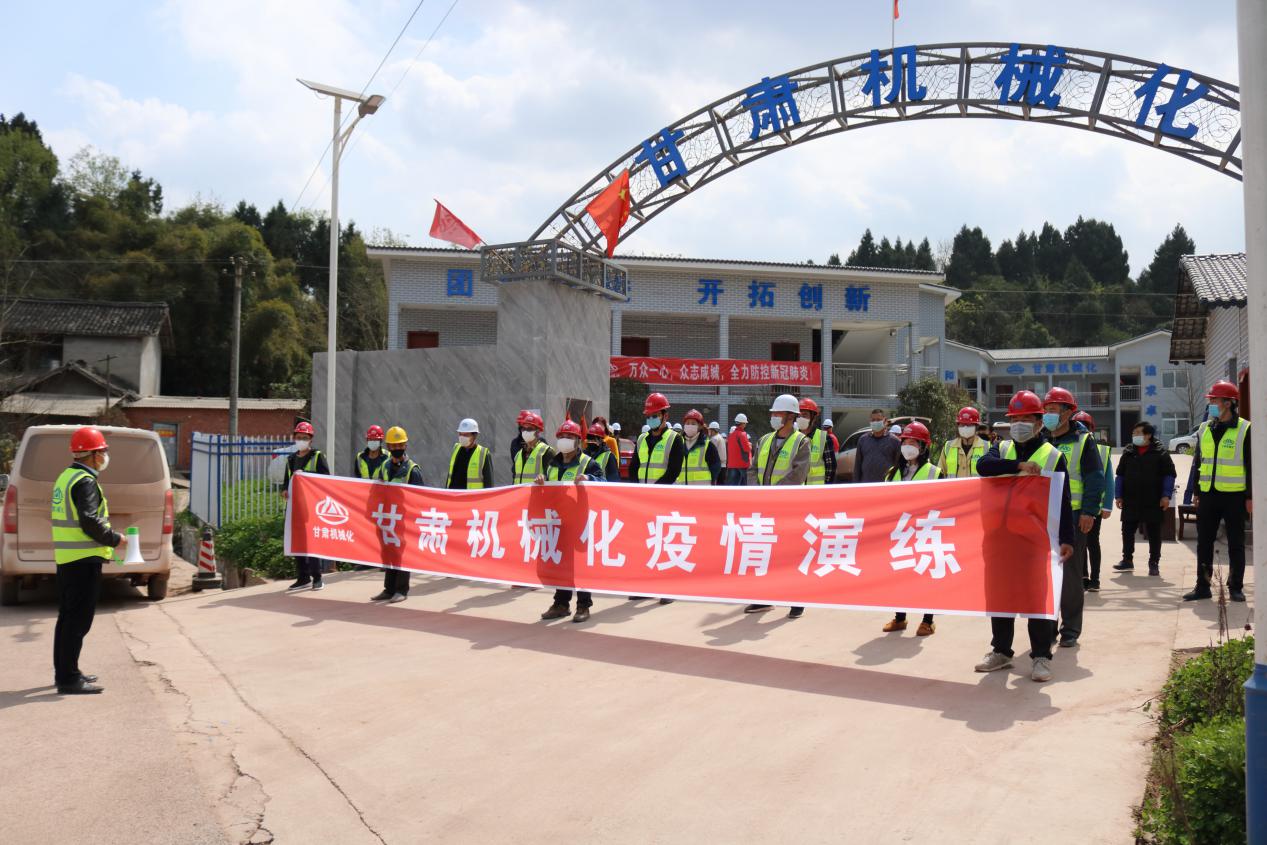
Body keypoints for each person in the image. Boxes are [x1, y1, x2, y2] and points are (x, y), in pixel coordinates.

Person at [975, 390, 1076, 683]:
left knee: (1036, 598)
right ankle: (1001, 651)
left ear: (1039, 422)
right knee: (1000, 595)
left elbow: (1063, 500)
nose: (1019, 424)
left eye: (1026, 418)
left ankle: (1041, 656)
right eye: (1014, 419)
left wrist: (1066, 538)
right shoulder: (1001, 448)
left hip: (1035, 540)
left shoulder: (1052, 455)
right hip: (999, 536)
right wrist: (1018, 466)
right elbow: (983, 467)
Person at [50, 426, 125, 694]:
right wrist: (115, 539)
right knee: (78, 621)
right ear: (92, 455)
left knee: (67, 619)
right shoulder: (85, 481)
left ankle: (66, 672)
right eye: (102, 451)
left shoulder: (66, 477)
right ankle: (69, 680)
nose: (105, 456)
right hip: (83, 559)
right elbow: (90, 520)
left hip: (68, 559)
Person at [1042, 387, 1103, 648]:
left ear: (1068, 413)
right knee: (1045, 575)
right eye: (1046, 410)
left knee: (1070, 575)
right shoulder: (1040, 438)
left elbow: (1095, 478)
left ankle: (1070, 629)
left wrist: (1089, 511)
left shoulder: (1083, 440)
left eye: (1053, 410)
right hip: (1043, 516)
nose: (1048, 415)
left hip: (1074, 515)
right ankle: (1047, 627)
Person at [1183, 380, 1252, 602]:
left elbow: (1251, 465)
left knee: (1236, 544)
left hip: (1235, 496)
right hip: (1208, 494)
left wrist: (1250, 496)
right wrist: (1196, 491)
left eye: (1214, 400)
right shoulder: (1205, 428)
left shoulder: (1245, 429)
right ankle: (1203, 586)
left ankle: (1235, 587)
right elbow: (1198, 462)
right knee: (1204, 543)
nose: (1211, 404)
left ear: (1228, 403)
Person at [745, 394, 810, 618]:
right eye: (773, 413)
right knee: (765, 552)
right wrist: (757, 490)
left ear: (791, 416)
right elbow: (752, 469)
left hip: (788, 507)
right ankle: (763, 598)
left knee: (790, 554)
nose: (773, 417)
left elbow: (798, 474)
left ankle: (797, 600)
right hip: (763, 506)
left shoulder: (801, 441)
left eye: (778, 413)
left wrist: (774, 494)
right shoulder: (764, 440)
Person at [881, 422, 943, 637]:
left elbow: (942, 504)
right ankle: (900, 618)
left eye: (913, 442)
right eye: (905, 442)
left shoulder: (935, 472)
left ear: (923, 446)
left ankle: (928, 621)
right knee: (901, 576)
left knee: (926, 577)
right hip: (900, 533)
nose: (908, 446)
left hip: (925, 532)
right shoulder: (892, 473)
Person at [538, 421, 604, 622]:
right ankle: (561, 603)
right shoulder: (552, 464)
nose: (565, 440)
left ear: (578, 441)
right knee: (562, 565)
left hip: (580, 521)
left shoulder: (588, 463)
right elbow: (549, 490)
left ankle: (583, 606)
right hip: (559, 521)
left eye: (570, 437)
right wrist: (541, 482)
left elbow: (605, 483)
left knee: (580, 565)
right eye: (562, 437)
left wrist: (589, 479)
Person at [370, 426, 426, 603]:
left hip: (404, 519)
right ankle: (389, 589)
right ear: (388, 446)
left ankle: (401, 590)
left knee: (402, 554)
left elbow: (420, 497)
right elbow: (377, 489)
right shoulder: (385, 466)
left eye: (399, 445)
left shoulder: (412, 469)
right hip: (388, 517)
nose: (396, 449)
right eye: (393, 446)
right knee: (389, 552)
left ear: (405, 445)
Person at [1113, 421, 1175, 578]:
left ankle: (1154, 562)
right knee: (1127, 530)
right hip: (1130, 499)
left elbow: (1169, 475)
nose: (1134, 436)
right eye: (1133, 433)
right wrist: (1118, 495)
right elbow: (1120, 475)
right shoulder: (1128, 452)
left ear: (1148, 435)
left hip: (1153, 499)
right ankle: (1127, 560)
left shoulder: (1160, 453)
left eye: (1138, 433)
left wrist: (1166, 495)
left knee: (1154, 532)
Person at [283, 421, 330, 591]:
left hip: (312, 507)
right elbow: (287, 480)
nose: (301, 440)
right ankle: (303, 577)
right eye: (298, 437)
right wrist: (284, 490)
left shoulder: (317, 456)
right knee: (298, 541)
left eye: (304, 437)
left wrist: (306, 474)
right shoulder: (291, 459)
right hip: (295, 507)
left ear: (310, 439)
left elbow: (326, 478)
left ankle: (317, 577)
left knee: (312, 542)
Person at [1073, 411, 1114, 591]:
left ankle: (1095, 578)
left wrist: (1107, 505)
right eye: (1078, 424)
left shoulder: (1102, 451)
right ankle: (1083, 576)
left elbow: (1108, 480)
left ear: (1092, 429)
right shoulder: (1068, 447)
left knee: (1092, 542)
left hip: (1094, 506)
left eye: (1086, 425)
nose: (1082, 428)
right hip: (1075, 506)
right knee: (1079, 544)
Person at [628, 392, 684, 485]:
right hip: (642, 491)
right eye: (648, 416)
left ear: (665, 416)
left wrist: (654, 489)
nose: (651, 419)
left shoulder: (675, 439)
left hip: (663, 492)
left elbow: (673, 471)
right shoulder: (641, 439)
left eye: (655, 415)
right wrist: (637, 488)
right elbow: (633, 467)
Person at [938, 406, 987, 478]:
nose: (965, 427)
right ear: (958, 426)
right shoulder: (948, 447)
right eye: (962, 424)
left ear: (976, 426)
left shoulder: (987, 447)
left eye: (969, 425)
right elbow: (941, 474)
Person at [853, 408, 900, 483]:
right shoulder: (863, 440)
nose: (875, 422)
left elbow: (898, 466)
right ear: (870, 422)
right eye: (873, 420)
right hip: (866, 484)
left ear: (885, 421)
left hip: (886, 485)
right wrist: (856, 484)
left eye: (878, 420)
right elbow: (857, 465)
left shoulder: (895, 441)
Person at [446, 418, 493, 489]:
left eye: (466, 435)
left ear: (475, 436)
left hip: (472, 495)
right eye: (460, 434)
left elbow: (489, 483)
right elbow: (450, 476)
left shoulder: (483, 453)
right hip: (453, 494)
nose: (462, 437)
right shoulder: (455, 448)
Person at [679, 409, 722, 485]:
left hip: (701, 489)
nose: (690, 426)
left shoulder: (708, 445)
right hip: (682, 489)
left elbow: (716, 467)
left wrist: (712, 482)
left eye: (693, 423)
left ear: (700, 426)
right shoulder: (679, 444)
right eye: (687, 423)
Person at [799, 398, 835, 485]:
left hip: (817, 490)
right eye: (799, 415)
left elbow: (831, 467)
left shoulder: (824, 438)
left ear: (814, 417)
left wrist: (825, 487)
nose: (801, 418)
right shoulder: (792, 438)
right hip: (797, 490)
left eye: (805, 415)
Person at [513, 411, 555, 485]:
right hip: (520, 492)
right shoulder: (518, 455)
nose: (525, 432)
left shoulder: (547, 452)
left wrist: (544, 477)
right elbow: (515, 478)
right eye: (523, 429)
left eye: (529, 429)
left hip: (538, 492)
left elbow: (553, 478)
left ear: (538, 431)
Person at [725, 413, 752, 486]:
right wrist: (750, 446)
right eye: (745, 423)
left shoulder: (731, 435)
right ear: (742, 423)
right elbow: (746, 449)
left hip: (732, 464)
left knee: (733, 485)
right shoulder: (742, 434)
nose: (745, 425)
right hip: (742, 464)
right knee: (743, 486)